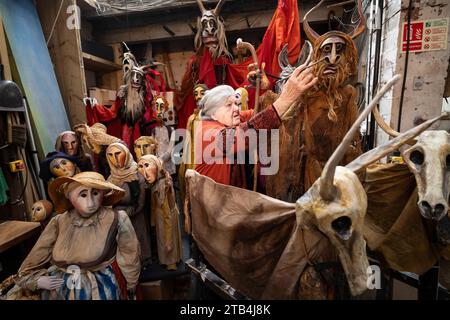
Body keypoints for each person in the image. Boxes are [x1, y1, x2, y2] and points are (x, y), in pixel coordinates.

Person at [11, 172, 141, 300]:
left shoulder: (116, 218)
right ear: (69, 196)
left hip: (103, 286)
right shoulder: (59, 221)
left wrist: (131, 284)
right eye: (82, 195)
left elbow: (130, 254)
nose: (90, 202)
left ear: (103, 193)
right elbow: (34, 259)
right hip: (62, 287)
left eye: (95, 193)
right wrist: (37, 280)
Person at [194, 64, 318, 187]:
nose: (236, 109)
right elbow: (247, 133)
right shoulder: (207, 133)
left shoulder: (230, 119)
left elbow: (264, 113)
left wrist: (266, 88)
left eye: (236, 104)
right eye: (228, 105)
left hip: (234, 200)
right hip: (215, 204)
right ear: (213, 113)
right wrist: (286, 99)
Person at [106, 143, 152, 265]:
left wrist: (126, 212)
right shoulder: (111, 178)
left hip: (135, 215)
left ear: (126, 154)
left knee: (140, 241)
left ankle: (144, 261)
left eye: (117, 154)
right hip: (118, 219)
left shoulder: (137, 175)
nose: (114, 159)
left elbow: (140, 204)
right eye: (110, 155)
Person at [138, 155, 183, 271]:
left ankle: (171, 261)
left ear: (157, 166)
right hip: (160, 216)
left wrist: (168, 242)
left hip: (164, 217)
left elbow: (167, 216)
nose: (144, 172)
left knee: (166, 240)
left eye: (147, 166)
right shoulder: (158, 182)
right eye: (141, 167)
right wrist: (153, 221)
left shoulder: (162, 187)